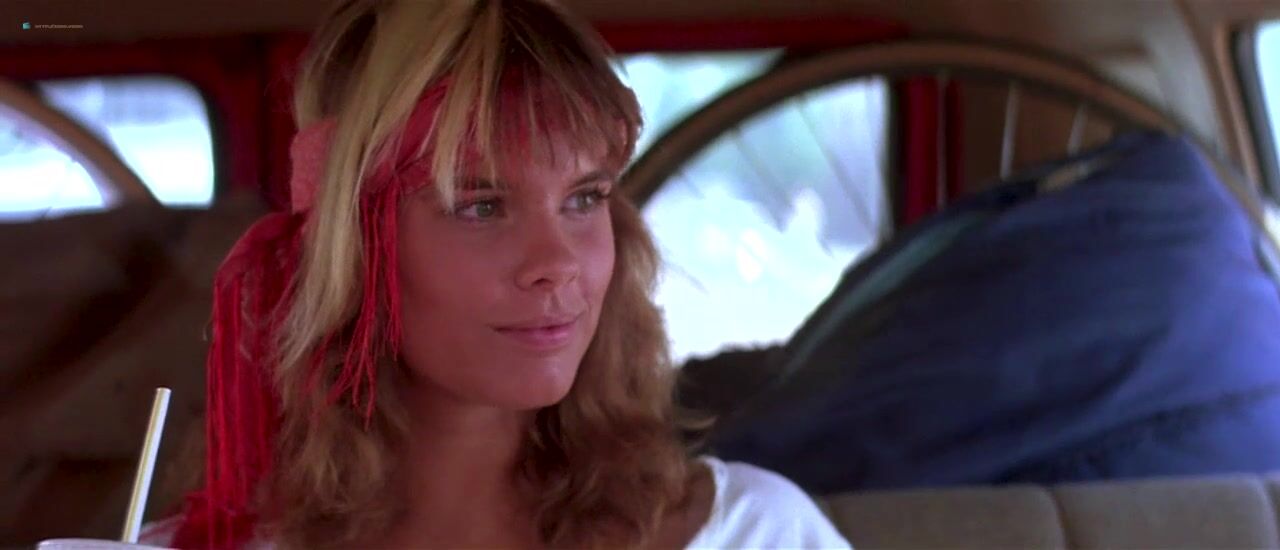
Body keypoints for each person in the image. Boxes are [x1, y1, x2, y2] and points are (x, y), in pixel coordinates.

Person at [141, 1, 851, 548]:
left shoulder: (757, 533)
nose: (557, 264)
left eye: (584, 198)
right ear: (352, 249)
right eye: (481, 206)